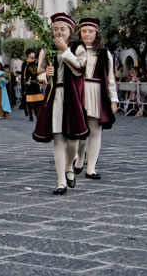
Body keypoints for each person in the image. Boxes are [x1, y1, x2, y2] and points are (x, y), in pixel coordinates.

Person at [33, 13, 88, 195]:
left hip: (71, 96)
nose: (58, 32)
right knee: (58, 138)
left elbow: (80, 69)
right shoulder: (47, 50)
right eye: (55, 29)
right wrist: (45, 75)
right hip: (55, 95)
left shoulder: (78, 48)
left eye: (62, 29)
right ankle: (60, 181)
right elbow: (39, 74)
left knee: (73, 140)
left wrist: (65, 51)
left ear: (70, 31)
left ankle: (69, 164)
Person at [72, 18, 117, 180]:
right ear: (80, 33)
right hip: (79, 91)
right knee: (80, 130)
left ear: (96, 33)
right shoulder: (74, 50)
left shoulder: (105, 53)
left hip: (97, 93)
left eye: (90, 31)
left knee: (95, 131)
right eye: (84, 31)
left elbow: (111, 77)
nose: (87, 34)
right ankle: (80, 156)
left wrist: (113, 100)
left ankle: (91, 168)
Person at [22, 49, 43, 121]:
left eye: (34, 53)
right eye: (32, 53)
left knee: (38, 101)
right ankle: (30, 115)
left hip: (36, 84)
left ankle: (38, 115)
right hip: (29, 85)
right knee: (30, 101)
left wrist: (41, 82)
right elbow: (23, 75)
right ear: (28, 54)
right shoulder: (25, 63)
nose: (34, 54)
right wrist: (24, 85)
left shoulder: (37, 62)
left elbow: (40, 72)